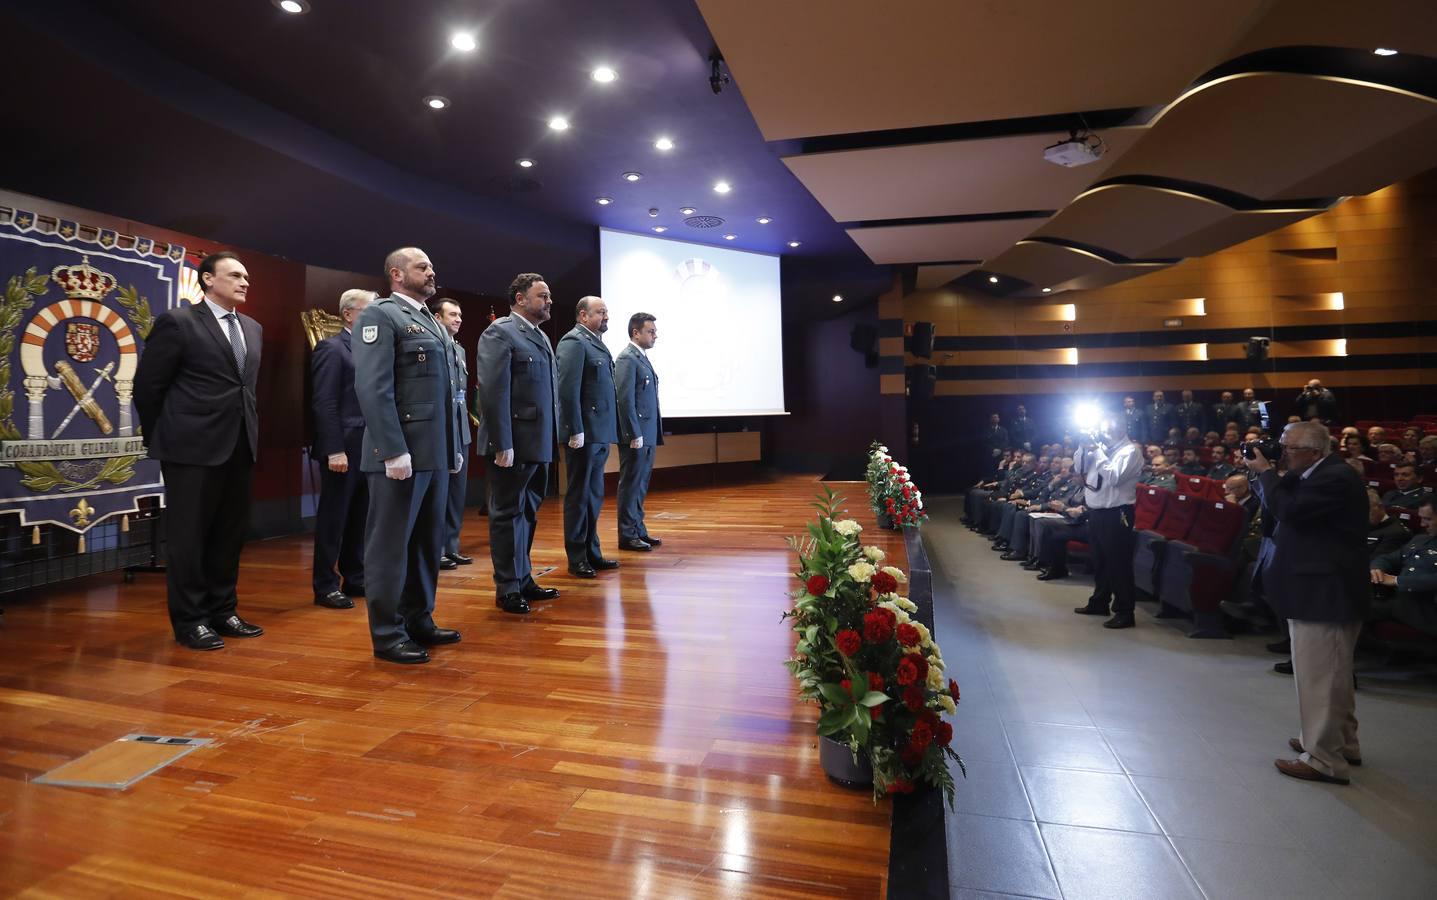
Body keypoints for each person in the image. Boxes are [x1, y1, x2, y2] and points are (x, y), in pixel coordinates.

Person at [134, 251, 264, 651]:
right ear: (207, 279)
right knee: (189, 537)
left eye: (246, 276)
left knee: (229, 534)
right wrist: (168, 438)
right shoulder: (179, 322)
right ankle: (190, 621)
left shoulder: (253, 327)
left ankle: (223, 610)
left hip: (240, 444)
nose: (244, 282)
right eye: (235, 275)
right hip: (189, 449)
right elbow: (148, 388)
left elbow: (244, 388)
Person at [352, 248, 464, 663]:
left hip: (433, 454)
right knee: (390, 547)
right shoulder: (380, 316)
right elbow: (373, 388)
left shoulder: (429, 321)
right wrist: (392, 449)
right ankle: (386, 633)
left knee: (425, 544)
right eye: (422, 266)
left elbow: (446, 396)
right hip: (400, 457)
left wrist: (452, 447)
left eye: (432, 265)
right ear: (397, 274)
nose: (432, 271)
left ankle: (419, 618)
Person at [1249, 421, 1368, 785]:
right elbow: (1280, 502)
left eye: (1289, 448)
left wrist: (1269, 473)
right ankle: (1342, 742)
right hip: (1317, 589)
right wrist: (1272, 472)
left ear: (1314, 451)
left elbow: (1292, 511)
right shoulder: (1312, 472)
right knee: (1334, 676)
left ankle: (1323, 759)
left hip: (1325, 592)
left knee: (1320, 677)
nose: (1282, 453)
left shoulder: (1336, 478)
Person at [476, 273, 563, 614]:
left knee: (527, 514)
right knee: (507, 515)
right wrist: (501, 442)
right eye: (543, 295)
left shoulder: (539, 336)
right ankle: (508, 587)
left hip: (538, 443)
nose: (549, 301)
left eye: (549, 295)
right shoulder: (500, 332)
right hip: (512, 444)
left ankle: (523, 577)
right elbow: (494, 392)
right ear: (520, 298)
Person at [310, 288, 373, 610]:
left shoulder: (372, 350)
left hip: (369, 447)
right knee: (334, 518)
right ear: (349, 314)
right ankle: (325, 584)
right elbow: (325, 402)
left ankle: (356, 576)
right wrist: (334, 449)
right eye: (369, 310)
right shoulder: (332, 348)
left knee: (361, 516)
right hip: (343, 447)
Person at [557, 296, 620, 578]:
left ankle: (592, 551)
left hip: (599, 432)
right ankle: (577, 556)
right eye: (601, 312)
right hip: (584, 433)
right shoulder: (574, 342)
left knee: (593, 496)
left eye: (606, 312)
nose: (606, 316)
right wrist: (574, 429)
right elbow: (567, 390)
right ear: (583, 315)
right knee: (579, 496)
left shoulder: (596, 342)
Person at [1072, 412, 1144, 628]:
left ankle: (1125, 611)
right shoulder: (1101, 449)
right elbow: (1079, 469)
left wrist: (1097, 452)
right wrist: (1084, 448)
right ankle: (1099, 601)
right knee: (1100, 559)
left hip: (1117, 513)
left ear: (1120, 428)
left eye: (1107, 428)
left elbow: (1113, 478)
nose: (1103, 432)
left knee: (1118, 562)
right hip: (1097, 511)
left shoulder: (1131, 451)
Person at [615, 312, 664, 551]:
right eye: (650, 331)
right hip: (637, 435)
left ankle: (638, 529)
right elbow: (625, 400)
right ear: (636, 332)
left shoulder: (641, 357)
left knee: (641, 484)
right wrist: (634, 433)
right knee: (631, 484)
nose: (655, 335)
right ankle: (627, 534)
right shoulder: (627, 358)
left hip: (647, 433)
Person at [432, 298, 473, 570]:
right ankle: (436, 550)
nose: (458, 319)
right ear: (437, 316)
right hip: (441, 428)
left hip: (460, 428)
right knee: (440, 493)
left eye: (460, 315)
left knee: (457, 493)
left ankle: (451, 545)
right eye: (452, 314)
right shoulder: (434, 347)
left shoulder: (459, 350)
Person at [1371, 498, 1437, 637]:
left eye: (1428, 519)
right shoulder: (1420, 539)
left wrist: (1397, 581)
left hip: (1426, 608)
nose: (1422, 524)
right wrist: (1377, 568)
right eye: (1421, 518)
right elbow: (1389, 558)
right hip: (1400, 602)